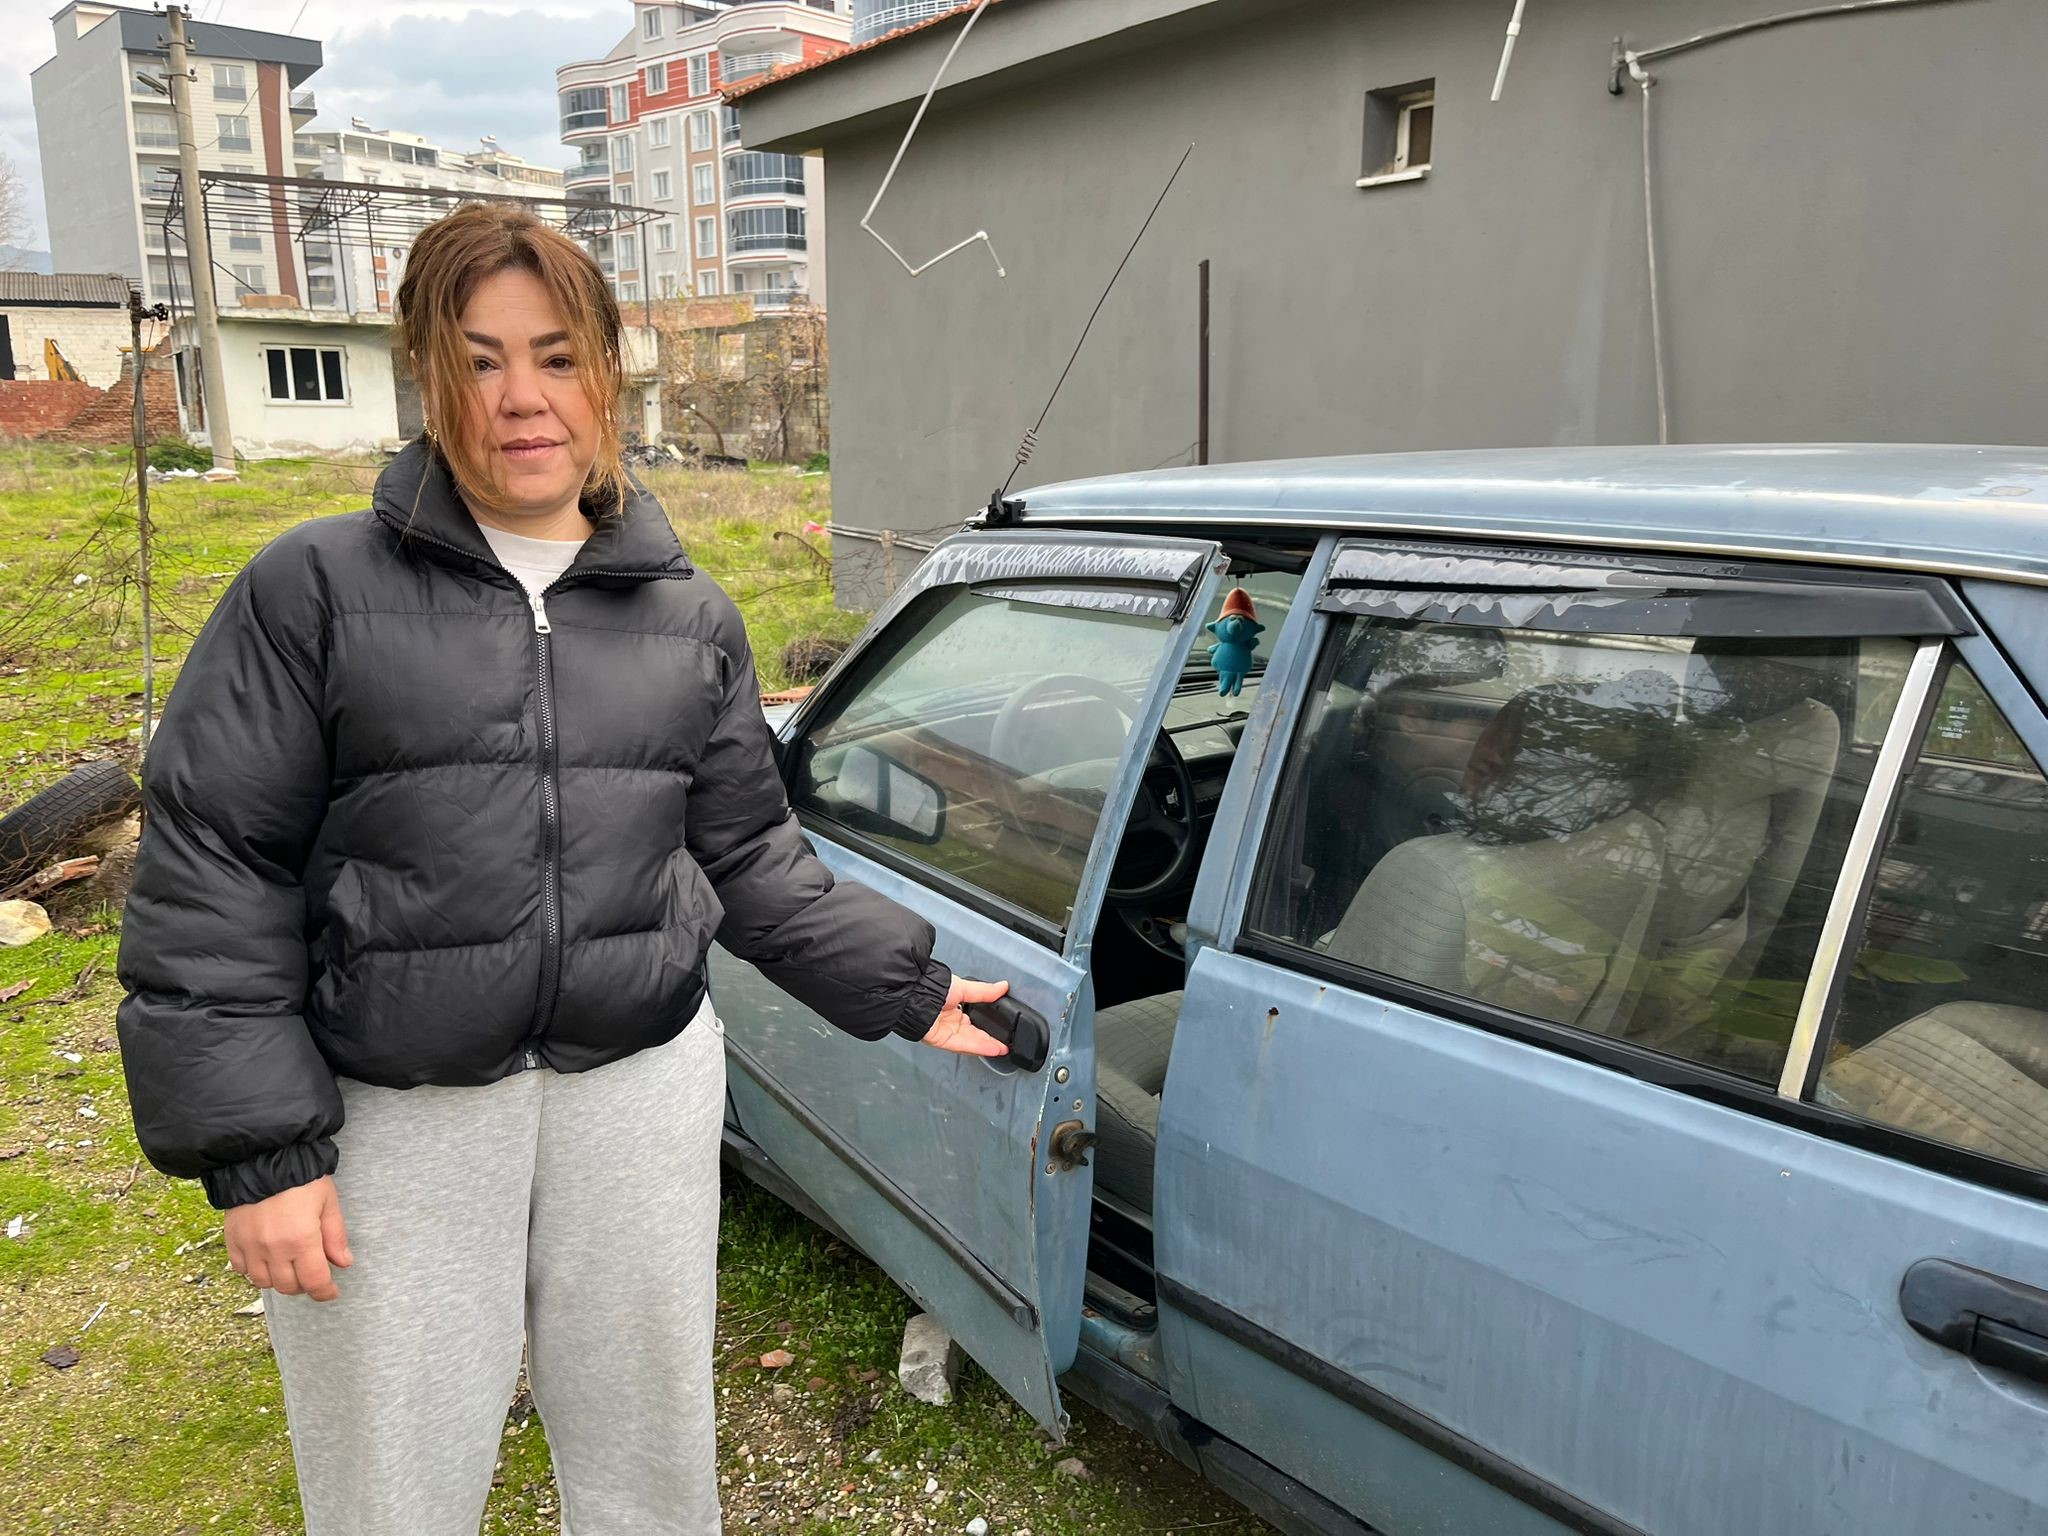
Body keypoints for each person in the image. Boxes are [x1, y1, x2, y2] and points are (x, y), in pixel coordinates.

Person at [115, 201, 1011, 1536]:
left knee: (651, 1466)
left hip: (637, 1102)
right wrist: (259, 1154)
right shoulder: (308, 592)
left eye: (555, 356)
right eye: (479, 360)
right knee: (392, 1483)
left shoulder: (688, 614)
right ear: (430, 377)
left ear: (605, 374)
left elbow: (750, 852)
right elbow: (215, 865)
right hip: (398, 1119)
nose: (521, 399)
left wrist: (907, 983)